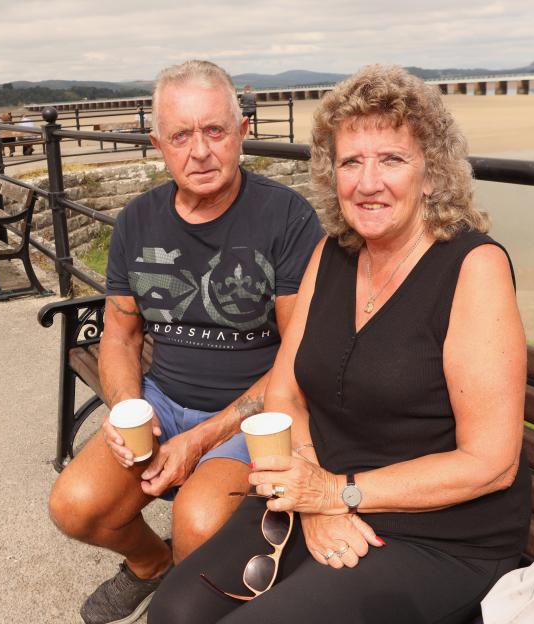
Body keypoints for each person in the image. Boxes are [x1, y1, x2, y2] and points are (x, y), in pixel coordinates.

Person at [150, 65, 531, 624]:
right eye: (351, 161)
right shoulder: (333, 252)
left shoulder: (473, 267)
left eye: (392, 159)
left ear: (432, 173)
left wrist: (338, 494)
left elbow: (491, 463)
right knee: (174, 613)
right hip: (324, 486)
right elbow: (283, 396)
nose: (368, 182)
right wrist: (314, 491)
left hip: (438, 532)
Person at [47, 60, 325, 624]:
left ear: (242, 131)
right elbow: (121, 338)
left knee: (199, 524)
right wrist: (128, 408)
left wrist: (200, 440)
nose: (199, 151)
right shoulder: (138, 221)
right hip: (163, 401)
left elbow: (299, 356)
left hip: (255, 417)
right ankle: (152, 566)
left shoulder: (286, 217)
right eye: (181, 135)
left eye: (214, 131)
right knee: (74, 506)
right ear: (158, 144)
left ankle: (196, 581)